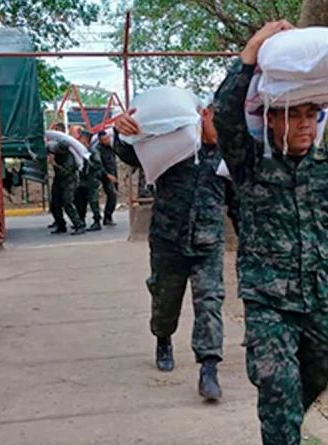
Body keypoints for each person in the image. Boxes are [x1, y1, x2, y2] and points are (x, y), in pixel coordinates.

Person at [213, 21, 328, 445]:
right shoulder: (250, 167)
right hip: (269, 305)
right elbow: (225, 117)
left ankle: (286, 425)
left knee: (322, 369)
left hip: (317, 297)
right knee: (277, 385)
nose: (304, 124)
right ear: (273, 120)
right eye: (293, 114)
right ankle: (282, 429)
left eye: (310, 115)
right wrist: (250, 53)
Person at [113, 100, 236, 401]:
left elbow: (237, 201)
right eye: (215, 119)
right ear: (203, 116)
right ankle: (163, 337)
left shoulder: (228, 158)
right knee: (165, 301)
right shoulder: (175, 146)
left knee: (210, 300)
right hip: (168, 241)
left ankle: (209, 367)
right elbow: (132, 153)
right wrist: (121, 132)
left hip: (207, 243)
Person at [48, 124, 86, 236]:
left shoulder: (69, 158)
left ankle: (79, 225)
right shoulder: (58, 152)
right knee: (55, 204)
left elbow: (66, 172)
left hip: (69, 181)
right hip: (59, 181)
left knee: (67, 203)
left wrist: (54, 164)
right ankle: (61, 225)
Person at [73, 131, 104, 232]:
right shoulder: (80, 150)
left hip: (91, 180)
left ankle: (97, 221)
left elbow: (98, 165)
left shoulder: (92, 151)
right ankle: (81, 220)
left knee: (93, 201)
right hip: (82, 180)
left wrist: (88, 164)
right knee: (80, 201)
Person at [96, 131, 119, 226]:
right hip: (106, 176)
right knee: (112, 195)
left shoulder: (111, 147)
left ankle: (109, 216)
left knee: (114, 196)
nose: (107, 141)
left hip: (114, 173)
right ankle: (107, 217)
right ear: (100, 141)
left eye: (108, 138)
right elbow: (99, 165)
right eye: (105, 140)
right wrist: (108, 175)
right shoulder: (98, 150)